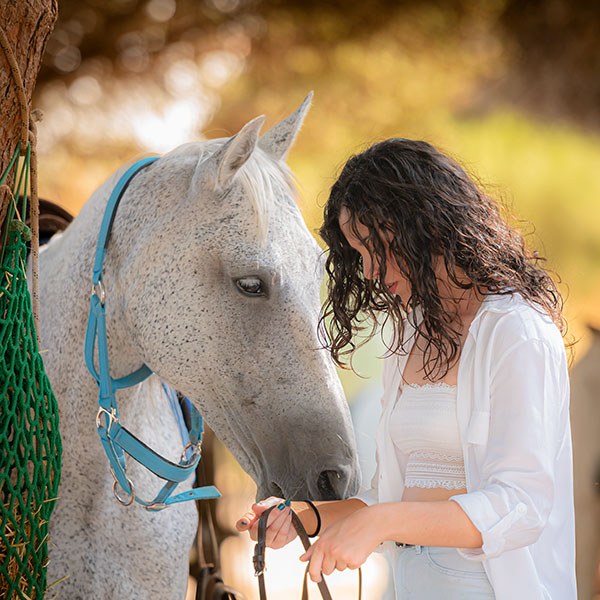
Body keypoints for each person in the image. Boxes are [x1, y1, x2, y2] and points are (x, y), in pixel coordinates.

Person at [236, 138, 576, 599]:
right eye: (357, 255)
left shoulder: (517, 331)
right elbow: (397, 497)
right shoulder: (411, 335)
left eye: (373, 247)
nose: (370, 272)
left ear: (422, 225)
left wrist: (380, 522)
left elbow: (521, 505)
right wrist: (306, 515)